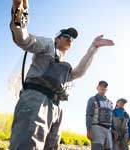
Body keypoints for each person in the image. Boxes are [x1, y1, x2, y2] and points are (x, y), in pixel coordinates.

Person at [9, 0, 115, 149]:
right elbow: (23, 39)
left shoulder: (65, 66)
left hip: (57, 107)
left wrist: (93, 48)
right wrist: (19, 12)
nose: (70, 38)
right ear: (57, 38)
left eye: (72, 37)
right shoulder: (47, 45)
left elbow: (78, 72)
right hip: (37, 100)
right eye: (66, 35)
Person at [86, 81, 117, 150]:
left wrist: (114, 130)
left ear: (107, 89)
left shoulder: (110, 103)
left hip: (108, 131)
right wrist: (88, 130)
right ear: (97, 87)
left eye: (105, 87)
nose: (103, 87)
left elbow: (111, 118)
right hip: (96, 129)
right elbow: (89, 115)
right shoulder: (92, 100)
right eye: (101, 86)